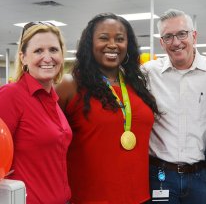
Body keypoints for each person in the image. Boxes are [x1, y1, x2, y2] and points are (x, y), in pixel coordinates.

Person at [55, 13, 160, 204]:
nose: (112, 45)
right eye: (104, 38)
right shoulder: (70, 86)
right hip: (90, 198)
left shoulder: (138, 86)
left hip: (140, 197)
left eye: (119, 39)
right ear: (90, 43)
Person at [142, 9, 206, 204]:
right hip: (160, 176)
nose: (176, 42)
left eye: (182, 34)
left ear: (194, 36)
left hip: (202, 176)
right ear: (161, 42)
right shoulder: (148, 74)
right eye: (168, 36)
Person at [0, 22, 72, 203]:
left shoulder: (54, 99)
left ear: (62, 55)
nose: (47, 57)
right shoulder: (11, 95)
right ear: (23, 57)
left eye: (54, 50)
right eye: (38, 51)